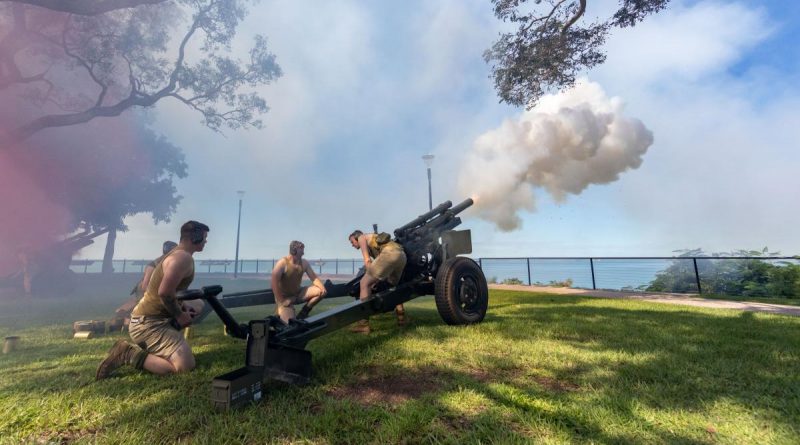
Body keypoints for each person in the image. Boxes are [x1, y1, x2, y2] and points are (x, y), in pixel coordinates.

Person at [96, 221, 209, 380]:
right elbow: (164, 293)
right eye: (204, 237)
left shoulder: (178, 254)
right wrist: (179, 315)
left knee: (198, 302)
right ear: (195, 237)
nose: (206, 241)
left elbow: (168, 291)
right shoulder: (182, 258)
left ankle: (159, 345)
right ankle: (127, 353)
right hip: (148, 325)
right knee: (184, 367)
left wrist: (183, 306)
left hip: (152, 320)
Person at [347, 230, 408, 334]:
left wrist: (368, 279)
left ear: (357, 237)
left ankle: (363, 325)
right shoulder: (375, 240)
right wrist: (374, 280)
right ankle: (401, 319)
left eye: (352, 242)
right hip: (401, 256)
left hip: (389, 254)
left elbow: (367, 261)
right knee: (393, 287)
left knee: (364, 284)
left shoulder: (362, 237)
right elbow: (381, 265)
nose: (352, 245)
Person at [112, 241, 178, 329]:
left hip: (155, 290)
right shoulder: (154, 264)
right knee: (141, 307)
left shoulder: (169, 262)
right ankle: (124, 319)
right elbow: (145, 285)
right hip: (145, 289)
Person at [271, 240, 327, 323]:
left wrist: (323, 289)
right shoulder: (282, 263)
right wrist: (282, 301)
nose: (303, 250)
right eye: (301, 248)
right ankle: (281, 313)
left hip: (299, 293)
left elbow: (314, 278)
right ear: (295, 249)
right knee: (289, 323)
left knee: (320, 291)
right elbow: (274, 283)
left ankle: (304, 312)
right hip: (285, 298)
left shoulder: (304, 263)